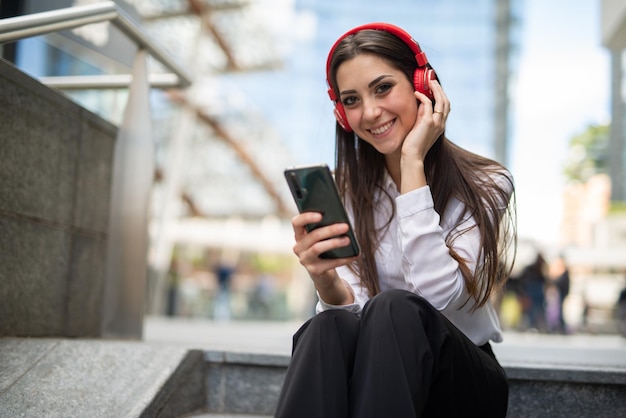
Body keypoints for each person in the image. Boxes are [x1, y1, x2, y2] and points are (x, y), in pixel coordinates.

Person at [275, 23, 517, 418]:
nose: (370, 112)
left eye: (383, 88)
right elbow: (352, 321)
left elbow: (437, 298)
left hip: (460, 383)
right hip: (378, 380)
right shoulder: (348, 191)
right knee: (325, 327)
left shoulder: (488, 183)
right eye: (351, 99)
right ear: (341, 112)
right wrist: (325, 279)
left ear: (423, 85)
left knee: (396, 308)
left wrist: (412, 164)